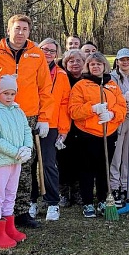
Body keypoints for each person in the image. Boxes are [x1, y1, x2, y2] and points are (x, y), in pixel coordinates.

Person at [0, 14, 54, 228]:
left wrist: (44, 117)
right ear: (9, 30)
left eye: (25, 29)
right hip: (0, 114)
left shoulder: (36, 54)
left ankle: (20, 211)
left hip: (28, 114)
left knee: (24, 165)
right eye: (17, 28)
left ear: (29, 32)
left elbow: (45, 87)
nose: (20, 33)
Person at [69, 52, 127, 217]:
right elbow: (74, 111)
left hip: (108, 133)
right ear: (88, 66)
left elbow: (122, 107)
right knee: (86, 170)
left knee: (104, 169)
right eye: (92, 64)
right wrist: (92, 109)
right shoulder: (81, 85)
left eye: (98, 64)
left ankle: (102, 200)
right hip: (87, 134)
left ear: (104, 66)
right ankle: (88, 203)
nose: (95, 67)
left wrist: (112, 114)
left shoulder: (112, 85)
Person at [0, 75, 33, 249]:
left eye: (12, 93)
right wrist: (15, 152)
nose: (9, 97)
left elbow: (27, 130)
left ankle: (8, 227)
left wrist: (27, 148)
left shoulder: (18, 111)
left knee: (11, 192)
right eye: (6, 93)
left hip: (16, 160)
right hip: (2, 161)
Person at [29, 38, 71, 222]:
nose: (47, 53)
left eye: (52, 51)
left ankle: (52, 202)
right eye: (44, 49)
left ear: (57, 54)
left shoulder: (61, 75)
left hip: (51, 125)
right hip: (29, 121)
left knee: (48, 163)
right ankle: (31, 201)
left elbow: (64, 104)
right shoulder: (30, 69)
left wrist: (63, 130)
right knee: (28, 164)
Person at [109, 48, 129, 207]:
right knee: (116, 156)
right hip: (117, 121)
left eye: (128, 59)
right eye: (122, 60)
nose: (125, 62)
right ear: (117, 61)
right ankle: (114, 187)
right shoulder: (111, 78)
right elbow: (108, 98)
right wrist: (122, 101)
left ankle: (126, 187)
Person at [58, 49, 86, 207]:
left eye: (78, 61)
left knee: (80, 159)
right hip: (63, 124)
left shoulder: (87, 80)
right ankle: (63, 192)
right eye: (71, 61)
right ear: (65, 63)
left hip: (82, 125)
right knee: (63, 159)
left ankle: (77, 191)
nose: (75, 64)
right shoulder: (61, 78)